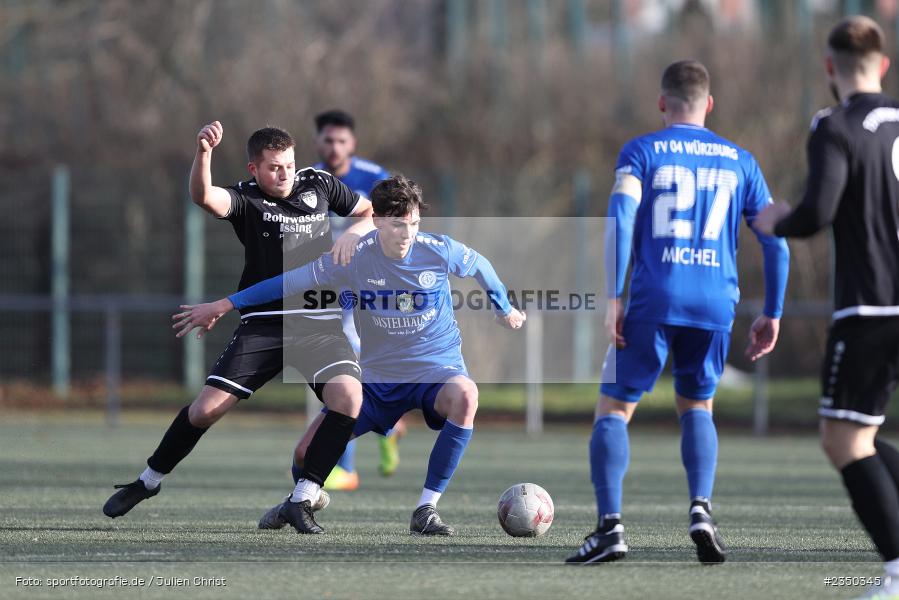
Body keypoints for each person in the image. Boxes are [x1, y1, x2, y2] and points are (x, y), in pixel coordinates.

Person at [173, 175, 526, 535]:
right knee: (303, 454)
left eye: (415, 224)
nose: (408, 234)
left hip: (435, 369)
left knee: (467, 395)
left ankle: (426, 509)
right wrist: (227, 303)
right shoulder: (352, 258)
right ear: (377, 221)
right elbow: (288, 282)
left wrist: (504, 309)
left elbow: (480, 265)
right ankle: (300, 498)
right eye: (398, 225)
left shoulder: (438, 249)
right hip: (376, 378)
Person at [566, 60, 790, 565]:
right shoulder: (741, 161)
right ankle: (701, 509)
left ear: (662, 102)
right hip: (715, 302)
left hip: (655, 296)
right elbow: (776, 242)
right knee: (697, 405)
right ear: (709, 104)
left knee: (615, 409)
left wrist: (614, 295)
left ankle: (610, 528)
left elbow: (622, 217)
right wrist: (773, 310)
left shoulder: (642, 151)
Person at [103, 122, 375, 534]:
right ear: (253, 169)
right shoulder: (246, 199)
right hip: (264, 323)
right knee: (205, 410)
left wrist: (352, 234)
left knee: (348, 397)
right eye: (273, 168)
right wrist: (204, 153)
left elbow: (367, 211)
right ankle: (148, 481)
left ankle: (302, 498)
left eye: (289, 165)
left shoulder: (319, 184)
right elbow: (203, 197)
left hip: (318, 322)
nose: (284, 174)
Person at [755, 16, 899, 597]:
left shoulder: (834, 124)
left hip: (871, 307)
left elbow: (817, 212)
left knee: (842, 440)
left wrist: (777, 222)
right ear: (883, 64)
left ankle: (895, 571)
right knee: (861, 432)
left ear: (829, 67)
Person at [312, 109, 404, 491]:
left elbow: (402, 222)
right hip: (333, 287)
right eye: (328, 140)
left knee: (348, 371)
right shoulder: (308, 181)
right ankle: (386, 431)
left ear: (353, 143)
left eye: (341, 141)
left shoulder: (374, 177)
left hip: (371, 286)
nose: (334, 147)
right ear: (319, 142)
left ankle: (346, 463)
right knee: (347, 373)